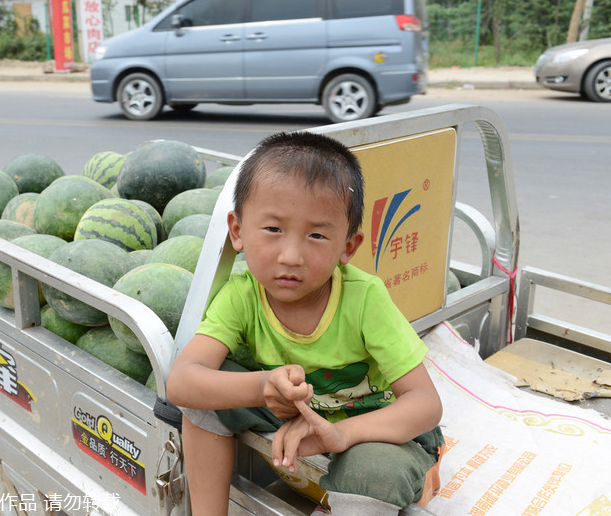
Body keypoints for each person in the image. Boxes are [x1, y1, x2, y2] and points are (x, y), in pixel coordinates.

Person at [166, 131, 444, 516]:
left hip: (373, 429)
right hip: (299, 414)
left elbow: (425, 404)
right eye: (273, 229)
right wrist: (263, 386)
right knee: (206, 395)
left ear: (348, 246)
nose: (291, 256)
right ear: (237, 231)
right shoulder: (242, 295)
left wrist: (340, 434)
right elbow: (181, 381)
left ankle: (406, 479)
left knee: (373, 473)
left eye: (316, 235)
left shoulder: (365, 299)